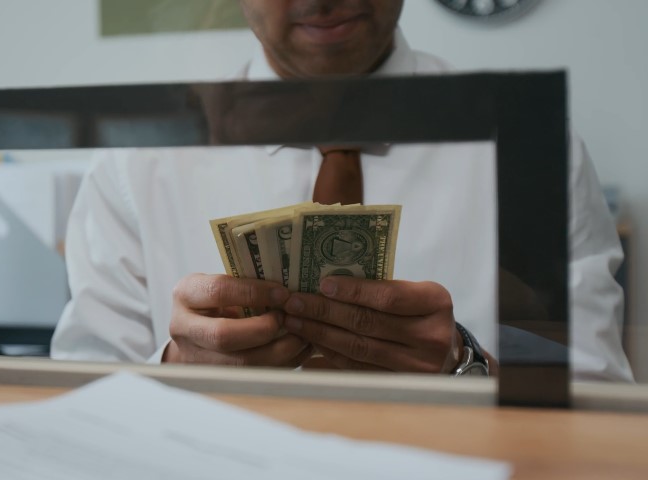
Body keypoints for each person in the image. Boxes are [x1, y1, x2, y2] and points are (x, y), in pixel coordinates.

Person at [51, 0, 633, 381]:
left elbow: (597, 400)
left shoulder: (528, 145)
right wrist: (178, 366)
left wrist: (471, 368)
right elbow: (77, 401)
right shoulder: (136, 163)